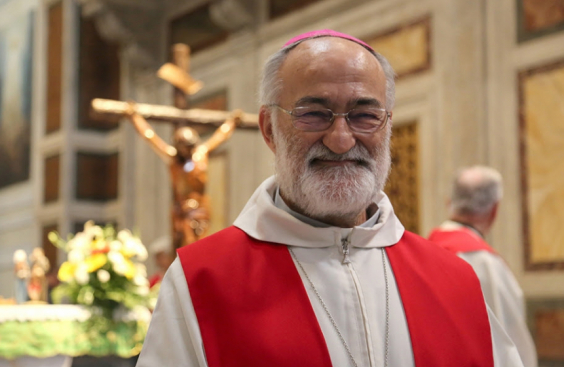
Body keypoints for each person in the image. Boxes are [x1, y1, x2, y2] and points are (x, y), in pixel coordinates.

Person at [136, 30, 523, 367]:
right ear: (270, 129)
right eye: (314, 114)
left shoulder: (455, 280)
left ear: (386, 125)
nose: (341, 138)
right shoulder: (202, 282)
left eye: (364, 115)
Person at [428, 165, 537, 367]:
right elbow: (510, 342)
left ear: (449, 203)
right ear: (494, 210)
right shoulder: (484, 263)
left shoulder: (423, 252)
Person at [125, 105, 244, 250]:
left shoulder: (200, 154)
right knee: (185, 246)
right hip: (182, 210)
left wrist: (231, 122)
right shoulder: (173, 159)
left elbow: (220, 136)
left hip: (201, 208)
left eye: (189, 146)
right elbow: (150, 136)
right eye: (182, 147)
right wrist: (135, 118)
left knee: (202, 244)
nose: (186, 150)